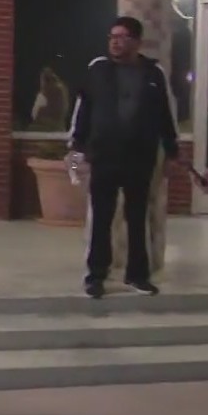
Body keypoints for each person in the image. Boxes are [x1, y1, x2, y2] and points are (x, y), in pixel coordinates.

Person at [68, 16, 178, 299]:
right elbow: (83, 111)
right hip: (104, 156)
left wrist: (172, 153)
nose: (115, 41)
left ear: (137, 41)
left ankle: (138, 275)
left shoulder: (154, 73)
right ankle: (96, 276)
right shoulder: (98, 69)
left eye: (123, 37)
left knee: (137, 217)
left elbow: (166, 116)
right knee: (101, 219)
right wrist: (76, 150)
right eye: (112, 37)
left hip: (140, 158)